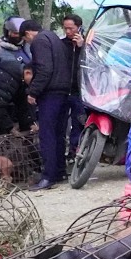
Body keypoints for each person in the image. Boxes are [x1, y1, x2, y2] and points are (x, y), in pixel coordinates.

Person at [23, 19, 79, 190]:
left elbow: (44, 69)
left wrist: (33, 92)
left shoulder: (39, 41)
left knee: (47, 134)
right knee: (59, 133)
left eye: (25, 40)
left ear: (27, 34)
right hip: (64, 92)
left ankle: (48, 176)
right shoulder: (54, 38)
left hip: (50, 93)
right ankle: (60, 171)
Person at [60, 15, 88, 162]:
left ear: (79, 27)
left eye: (71, 28)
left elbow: (91, 64)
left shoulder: (87, 44)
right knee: (62, 123)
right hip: (63, 90)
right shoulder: (61, 44)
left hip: (79, 91)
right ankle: (62, 152)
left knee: (78, 122)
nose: (68, 31)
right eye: (65, 28)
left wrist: (81, 48)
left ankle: (74, 151)